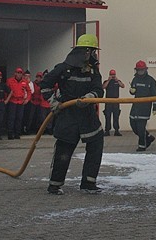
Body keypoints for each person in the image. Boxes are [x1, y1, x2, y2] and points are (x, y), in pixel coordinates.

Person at [39, 33, 105, 195]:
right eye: (92, 52)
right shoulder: (63, 68)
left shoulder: (93, 71)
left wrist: (90, 97)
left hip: (87, 116)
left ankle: (89, 183)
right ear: (85, 52)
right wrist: (54, 102)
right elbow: (45, 84)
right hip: (68, 116)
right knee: (64, 150)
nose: (94, 55)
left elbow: (98, 89)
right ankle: (55, 185)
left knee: (96, 144)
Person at [129, 60, 156, 151]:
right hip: (135, 107)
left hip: (145, 107)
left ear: (145, 69)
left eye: (141, 70)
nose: (140, 71)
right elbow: (132, 90)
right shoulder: (135, 79)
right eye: (138, 70)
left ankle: (142, 146)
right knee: (134, 126)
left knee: (141, 128)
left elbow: (155, 94)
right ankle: (148, 137)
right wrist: (131, 91)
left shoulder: (151, 81)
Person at [5, 67, 28, 139]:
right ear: (15, 73)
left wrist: (27, 99)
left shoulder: (25, 82)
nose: (19, 74)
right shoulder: (9, 81)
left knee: (19, 118)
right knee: (11, 118)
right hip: (12, 101)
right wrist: (6, 100)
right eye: (18, 73)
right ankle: (10, 134)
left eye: (20, 73)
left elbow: (29, 91)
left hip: (21, 102)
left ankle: (17, 134)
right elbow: (6, 91)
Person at [102, 69, 125, 136]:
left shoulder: (117, 81)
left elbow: (123, 86)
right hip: (108, 102)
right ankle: (107, 131)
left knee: (116, 116)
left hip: (116, 102)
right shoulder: (106, 81)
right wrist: (109, 80)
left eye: (114, 75)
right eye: (111, 75)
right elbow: (103, 87)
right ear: (109, 75)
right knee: (107, 116)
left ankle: (116, 130)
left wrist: (117, 80)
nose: (113, 76)